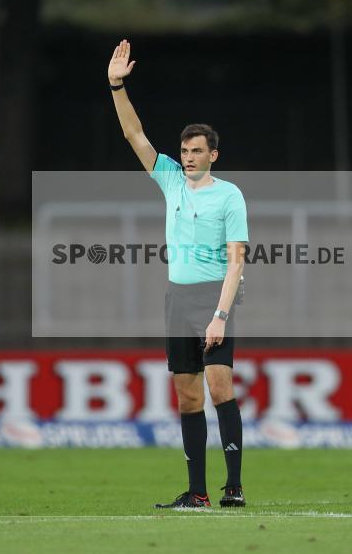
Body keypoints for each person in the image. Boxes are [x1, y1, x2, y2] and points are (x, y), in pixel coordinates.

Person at [108, 39, 248, 508]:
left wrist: (220, 315)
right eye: (184, 150)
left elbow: (236, 261)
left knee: (219, 385)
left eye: (196, 151)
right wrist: (116, 86)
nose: (187, 157)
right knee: (188, 397)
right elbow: (135, 135)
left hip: (214, 298)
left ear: (213, 156)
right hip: (177, 298)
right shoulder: (170, 179)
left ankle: (234, 487)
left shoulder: (229, 196)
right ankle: (198, 493)